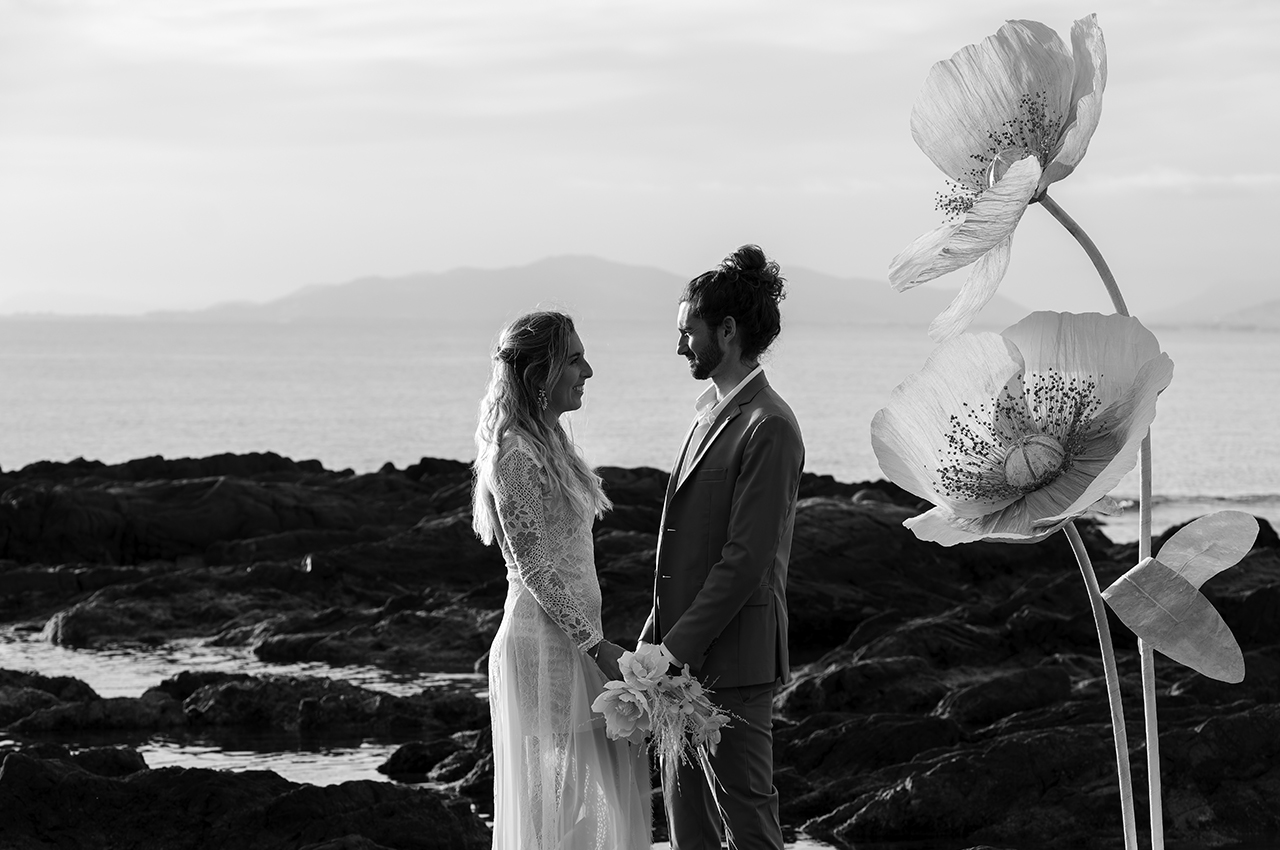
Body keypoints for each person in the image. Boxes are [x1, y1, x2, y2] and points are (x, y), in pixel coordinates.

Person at [639, 246, 804, 850]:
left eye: (689, 332)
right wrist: (653, 637)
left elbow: (745, 560)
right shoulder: (706, 416)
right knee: (689, 831)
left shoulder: (771, 425)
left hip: (733, 662)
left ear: (727, 332)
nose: (681, 346)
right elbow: (684, 549)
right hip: (678, 657)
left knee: (748, 826)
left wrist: (673, 649)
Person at [472, 310, 651, 850]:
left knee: (583, 805)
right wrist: (596, 646)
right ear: (538, 376)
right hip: (545, 649)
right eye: (574, 360)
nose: (588, 371)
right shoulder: (516, 454)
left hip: (573, 645)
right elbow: (536, 568)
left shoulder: (550, 443)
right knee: (554, 809)